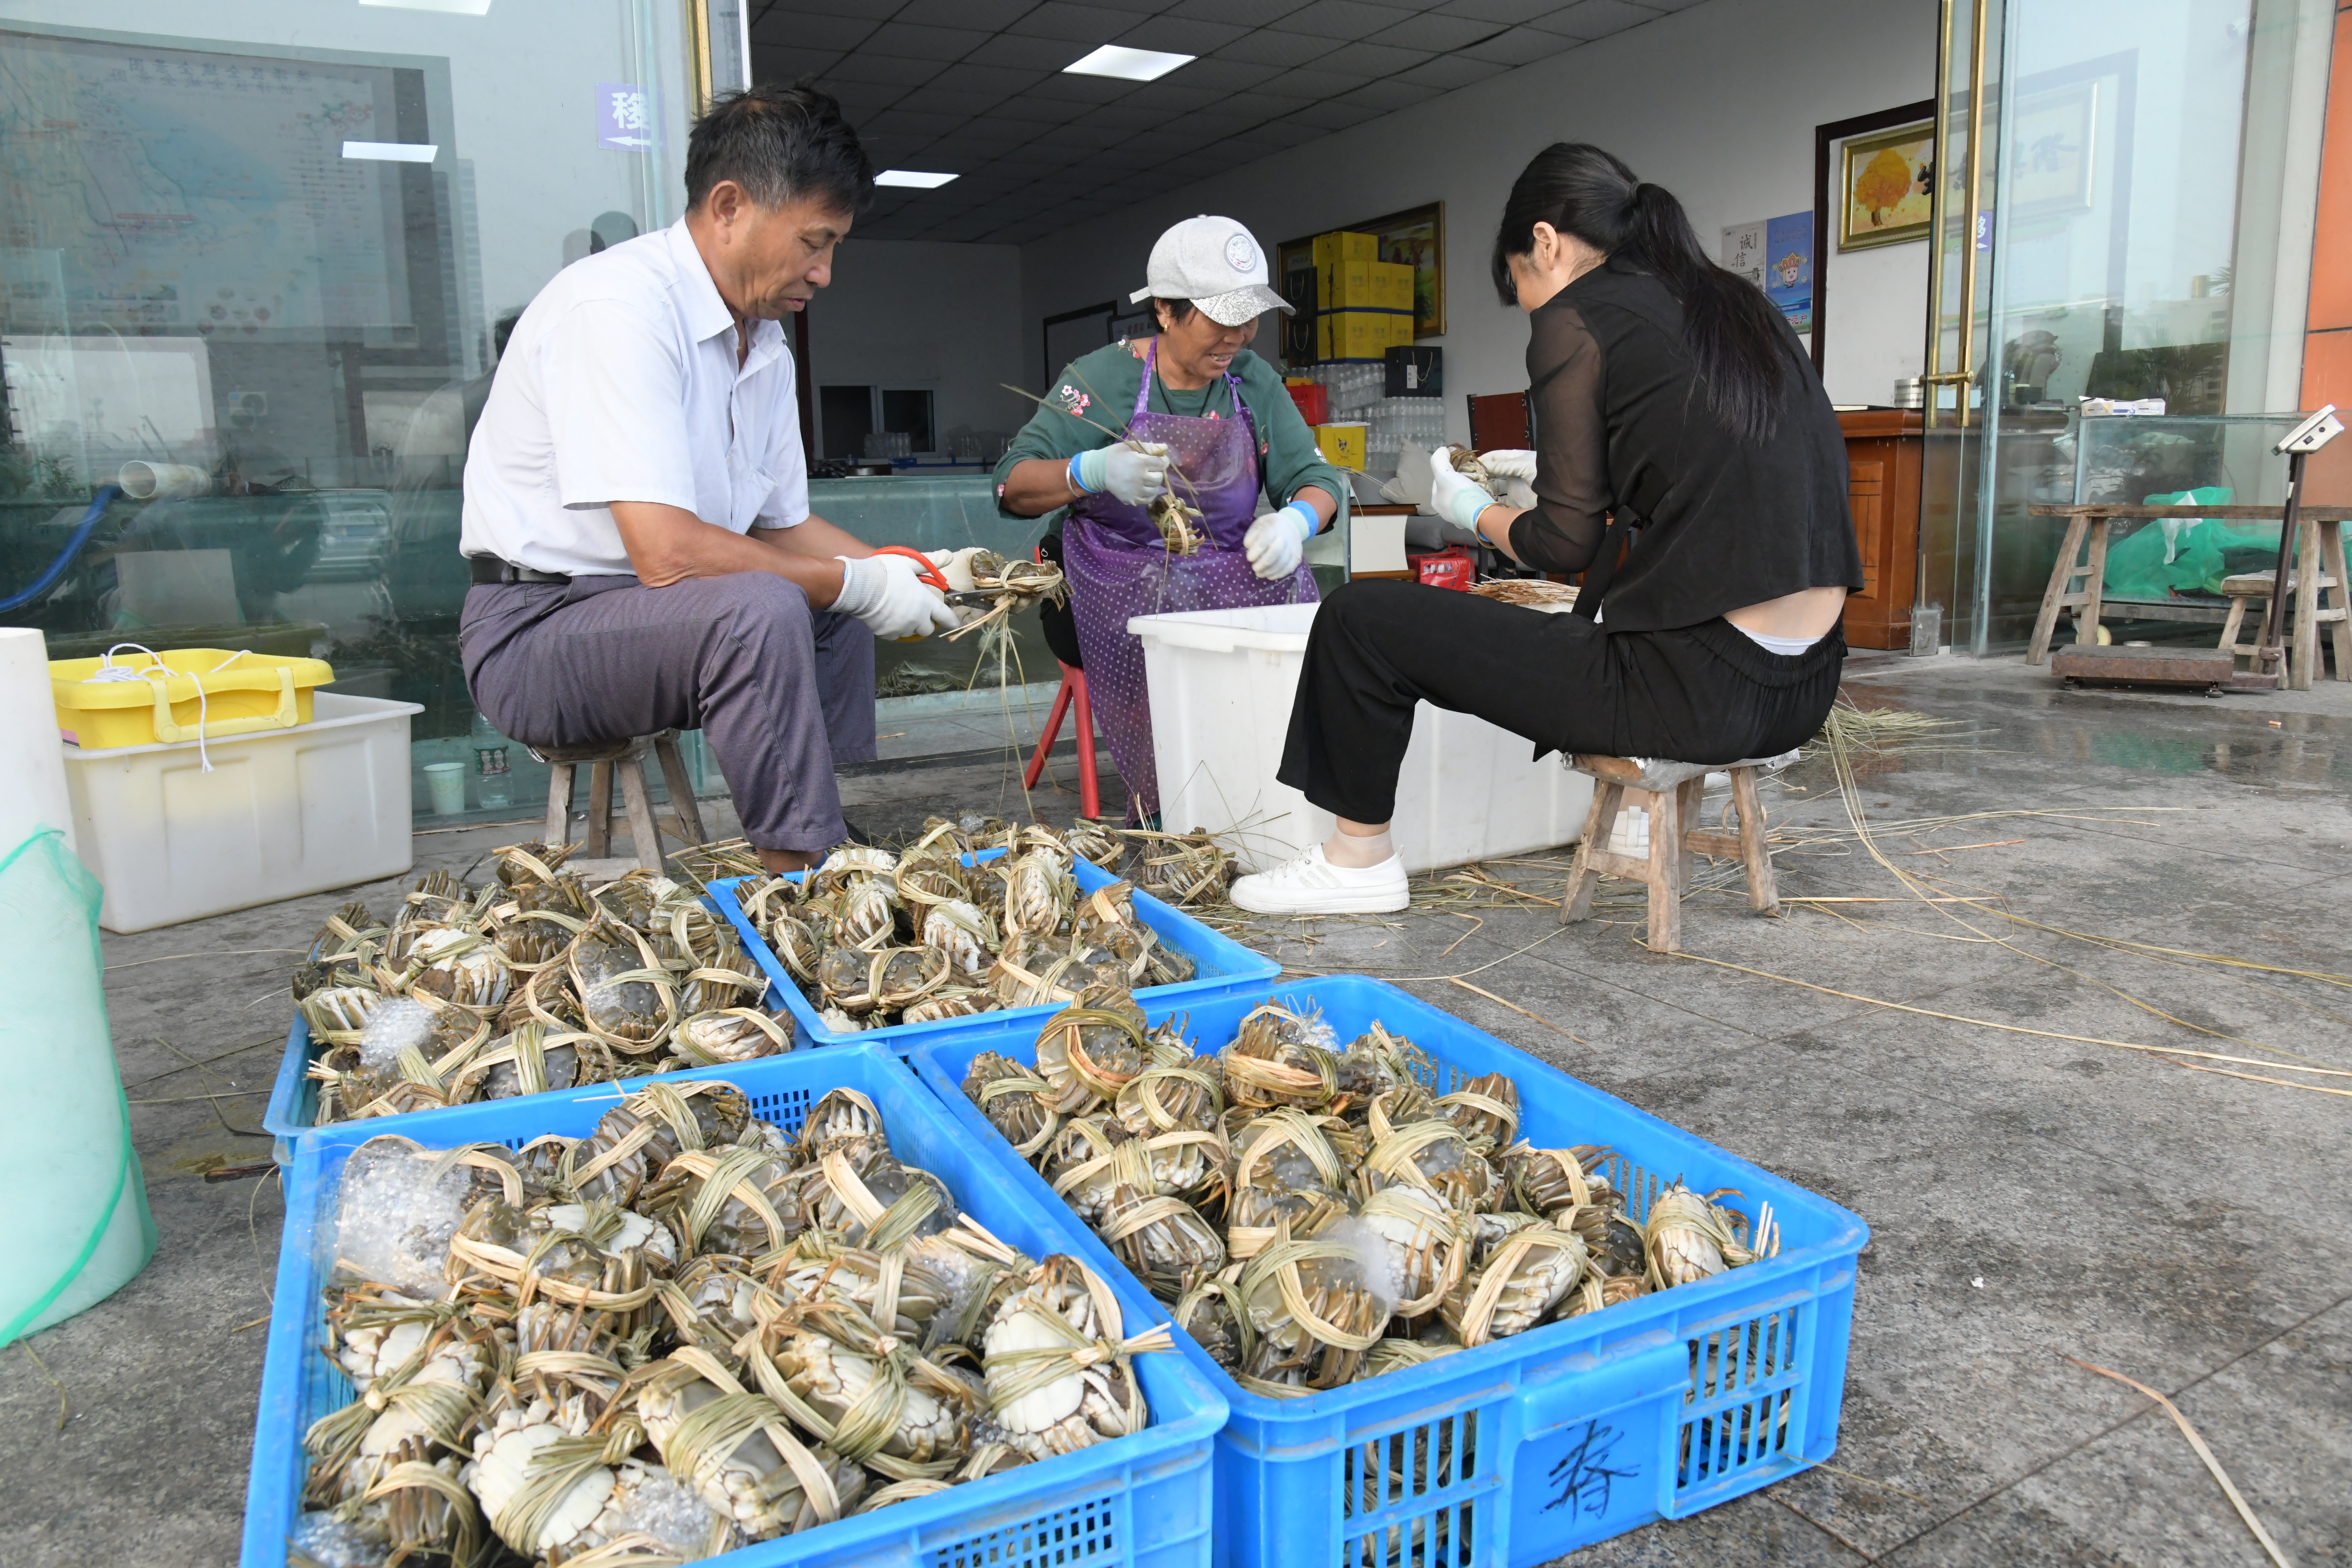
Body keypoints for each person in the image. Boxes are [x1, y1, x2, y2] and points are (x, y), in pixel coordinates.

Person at [1231, 144, 1862, 915]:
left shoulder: (1575, 316)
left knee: (1359, 620)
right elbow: (1710, 480)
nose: (1531, 309)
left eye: (1520, 286)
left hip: (1700, 695)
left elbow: (1563, 546)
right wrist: (1559, 473)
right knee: (1599, 614)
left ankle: (1357, 861)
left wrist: (1466, 508)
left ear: (1546, 243)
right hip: (1805, 687)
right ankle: (1631, 820)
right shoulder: (1732, 304)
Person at [459, 85, 958, 874]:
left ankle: (822, 815)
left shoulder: (764, 345)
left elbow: (782, 525)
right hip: (538, 632)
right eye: (814, 243)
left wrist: (910, 573)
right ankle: (800, 869)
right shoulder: (619, 308)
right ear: (729, 207)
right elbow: (666, 553)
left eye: (834, 247)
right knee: (768, 605)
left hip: (644, 613)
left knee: (831, 602)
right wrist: (857, 583)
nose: (825, 273)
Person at [993, 215, 1352, 822]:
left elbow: (1320, 481)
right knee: (1169, 619)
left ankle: (1276, 787)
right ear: (1164, 309)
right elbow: (1011, 485)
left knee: (1300, 614)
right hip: (1113, 588)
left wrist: (1296, 523)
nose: (1237, 336)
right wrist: (1090, 470)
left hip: (1224, 581)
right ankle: (1177, 809)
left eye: (1249, 318)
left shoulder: (1253, 380)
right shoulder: (1099, 381)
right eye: (1220, 319)